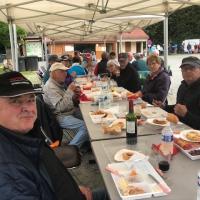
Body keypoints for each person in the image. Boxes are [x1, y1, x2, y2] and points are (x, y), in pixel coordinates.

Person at [0, 71, 108, 200]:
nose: (27, 108)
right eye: (16, 101)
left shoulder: (28, 135)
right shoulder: (8, 171)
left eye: (30, 99)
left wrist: (73, 188)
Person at [43, 62, 89, 148]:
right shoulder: (50, 87)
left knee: (89, 117)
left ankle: (87, 143)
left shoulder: (58, 83)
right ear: (54, 73)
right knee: (86, 127)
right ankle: (70, 151)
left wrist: (75, 96)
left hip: (69, 111)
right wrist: (69, 90)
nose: (65, 74)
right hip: (60, 116)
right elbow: (61, 108)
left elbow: (67, 101)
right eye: (62, 72)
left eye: (65, 71)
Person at [155, 56, 200, 130]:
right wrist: (164, 107)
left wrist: (186, 114)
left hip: (194, 135)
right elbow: (177, 108)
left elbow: (184, 113)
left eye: (192, 68)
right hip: (179, 128)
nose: (188, 71)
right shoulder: (183, 86)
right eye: (184, 69)